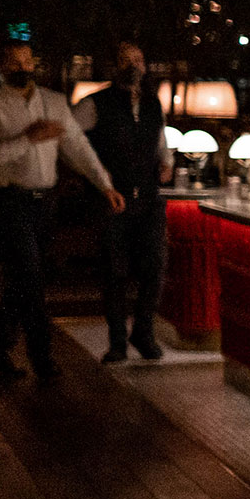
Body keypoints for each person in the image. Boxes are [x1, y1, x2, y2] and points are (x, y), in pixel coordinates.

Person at [0, 41, 124, 378]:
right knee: (31, 276)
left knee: (22, 279)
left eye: (27, 61)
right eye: (14, 62)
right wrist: (28, 139)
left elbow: (77, 147)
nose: (23, 67)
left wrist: (105, 185)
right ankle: (42, 359)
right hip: (8, 200)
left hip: (45, 201)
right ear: (1, 66)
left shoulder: (53, 102)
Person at [72, 42, 174, 362]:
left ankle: (143, 331)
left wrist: (167, 161)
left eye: (138, 59)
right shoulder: (95, 103)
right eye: (125, 60)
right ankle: (117, 341)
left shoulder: (153, 103)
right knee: (114, 272)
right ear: (114, 66)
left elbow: (161, 138)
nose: (133, 65)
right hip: (112, 199)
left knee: (154, 267)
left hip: (148, 197)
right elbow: (72, 141)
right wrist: (97, 178)